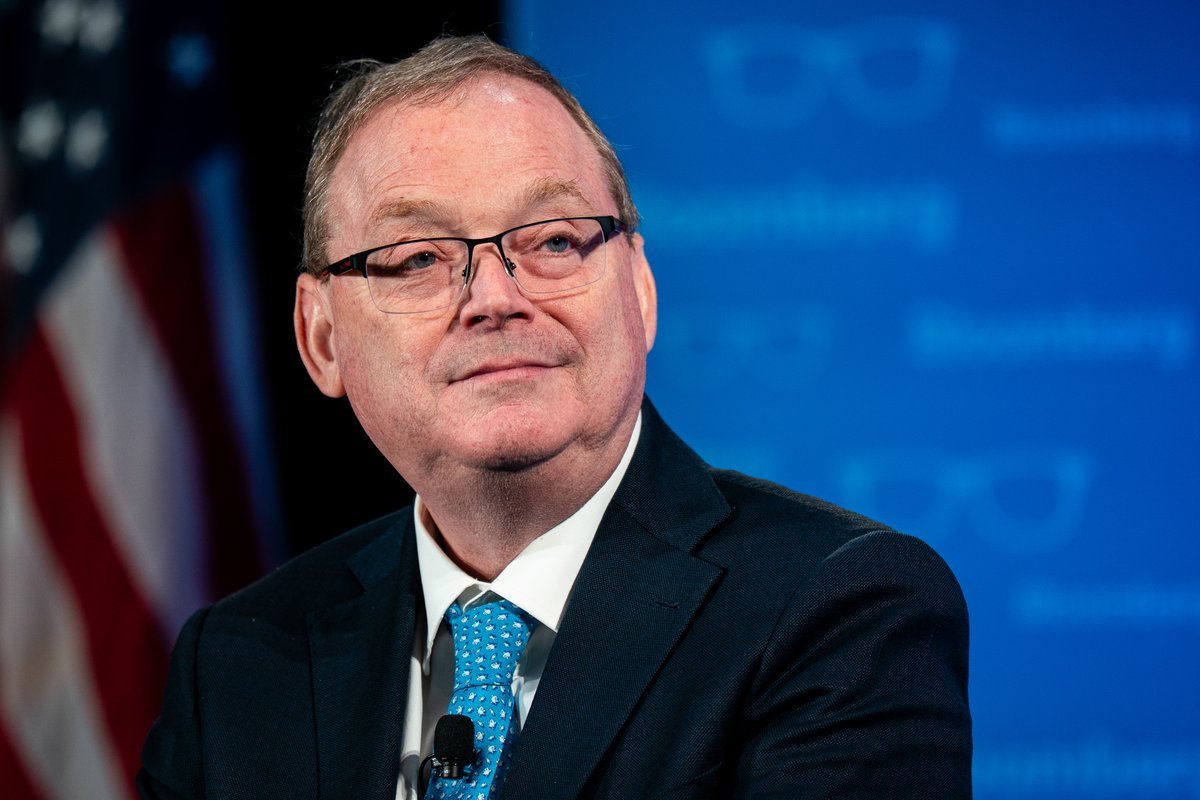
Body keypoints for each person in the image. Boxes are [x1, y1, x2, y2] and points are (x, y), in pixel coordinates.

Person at [138, 35, 971, 800]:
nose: (496, 298)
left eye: (555, 242)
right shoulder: (238, 662)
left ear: (639, 292)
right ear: (320, 338)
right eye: (418, 258)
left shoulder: (840, 610)